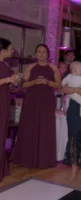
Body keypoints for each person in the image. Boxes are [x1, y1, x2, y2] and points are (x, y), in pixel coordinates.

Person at [14, 44, 61, 169]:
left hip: (46, 100)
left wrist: (48, 82)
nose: (41, 54)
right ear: (35, 53)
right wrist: (34, 82)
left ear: (48, 54)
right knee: (29, 126)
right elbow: (23, 85)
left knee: (45, 127)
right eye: (39, 51)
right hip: (31, 99)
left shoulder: (53, 68)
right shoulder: (30, 67)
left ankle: (44, 159)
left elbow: (58, 85)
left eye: (44, 52)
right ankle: (26, 158)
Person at [0, 38, 17, 182]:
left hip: (3, 101)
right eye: (11, 48)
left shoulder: (4, 64)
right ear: (2, 51)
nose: (12, 51)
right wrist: (8, 80)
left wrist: (11, 82)